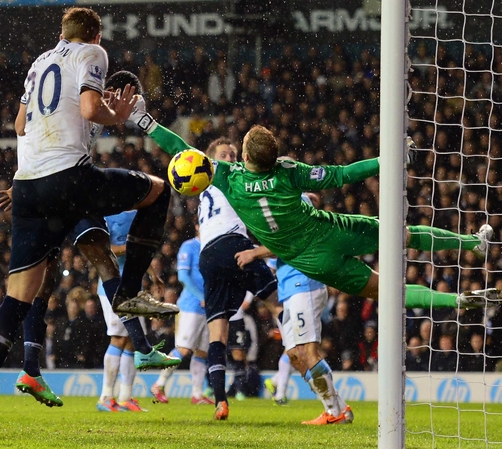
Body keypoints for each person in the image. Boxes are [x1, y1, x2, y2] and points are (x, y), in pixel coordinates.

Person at [0, 9, 177, 447]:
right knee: (158, 190)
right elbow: (87, 106)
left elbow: (21, 125)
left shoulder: (39, 61)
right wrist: (116, 115)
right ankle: (131, 291)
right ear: (95, 34)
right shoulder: (92, 52)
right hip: (69, 177)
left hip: (27, 188)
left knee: (15, 299)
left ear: (60, 33)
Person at [128, 105, 499, 310]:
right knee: (401, 234)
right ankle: (472, 244)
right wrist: (391, 159)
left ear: (242, 154)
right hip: (330, 231)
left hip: (310, 261)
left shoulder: (227, 178)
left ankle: (457, 300)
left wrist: (145, 120)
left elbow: (179, 147)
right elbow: (342, 174)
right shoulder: (289, 170)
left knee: (385, 291)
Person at [0, 71, 180, 411]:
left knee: (48, 279)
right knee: (95, 261)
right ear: (110, 90)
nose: (124, 109)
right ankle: (139, 349)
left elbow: (27, 130)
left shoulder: (75, 102)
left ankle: (31, 369)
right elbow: (31, 131)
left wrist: (21, 184)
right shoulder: (84, 101)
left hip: (45, 188)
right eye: (125, 98)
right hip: (65, 188)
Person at [188, 137, 278, 421]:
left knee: (218, 334)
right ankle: (302, 359)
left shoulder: (203, 188)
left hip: (209, 257)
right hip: (232, 245)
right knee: (278, 304)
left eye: (233, 154)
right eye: (224, 154)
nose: (231, 157)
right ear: (212, 160)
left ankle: (220, 401)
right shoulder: (233, 178)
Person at [254, 193, 355, 425]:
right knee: (294, 356)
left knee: (308, 353)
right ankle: (339, 408)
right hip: (289, 289)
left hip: (304, 284)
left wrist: (254, 252)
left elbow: (286, 241)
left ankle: (334, 412)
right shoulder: (280, 203)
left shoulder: (290, 202)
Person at [150, 224, 214, 406]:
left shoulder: (210, 245)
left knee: (202, 351)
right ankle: (159, 384)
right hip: (190, 306)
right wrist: (201, 297)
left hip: (206, 308)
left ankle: (197, 393)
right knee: (184, 348)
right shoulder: (189, 246)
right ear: (196, 226)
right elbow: (183, 277)